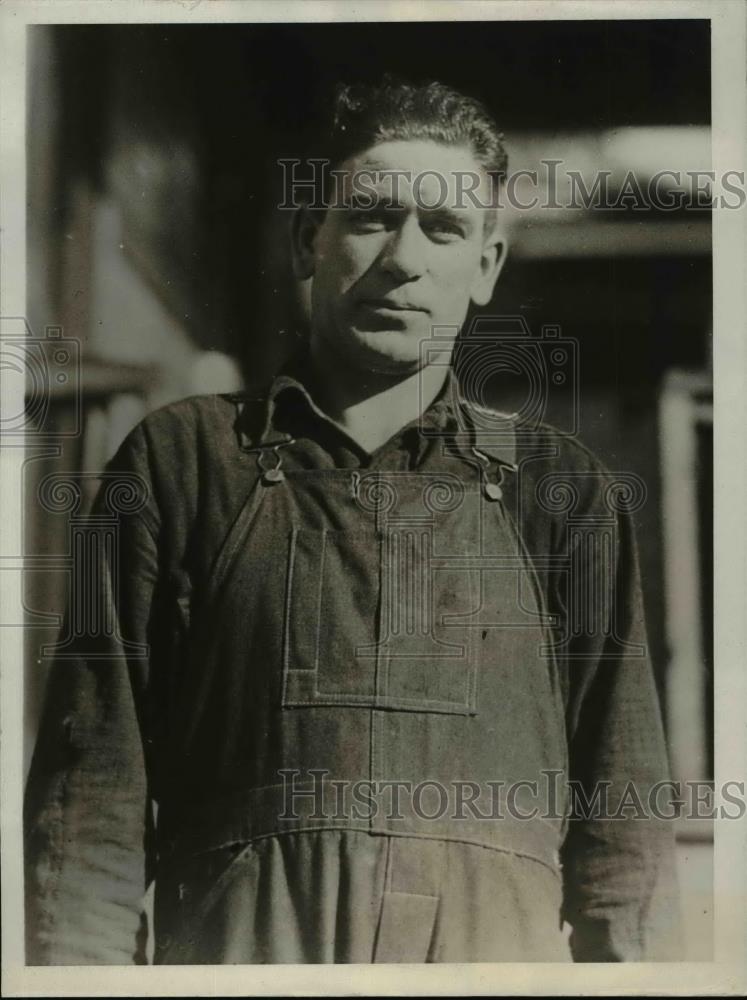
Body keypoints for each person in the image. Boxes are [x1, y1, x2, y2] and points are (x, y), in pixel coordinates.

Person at [24, 77, 682, 965]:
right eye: (371, 217)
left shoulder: (563, 493)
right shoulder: (182, 465)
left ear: (485, 266)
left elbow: (625, 851)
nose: (403, 257)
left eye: (444, 228)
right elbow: (88, 816)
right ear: (309, 240)